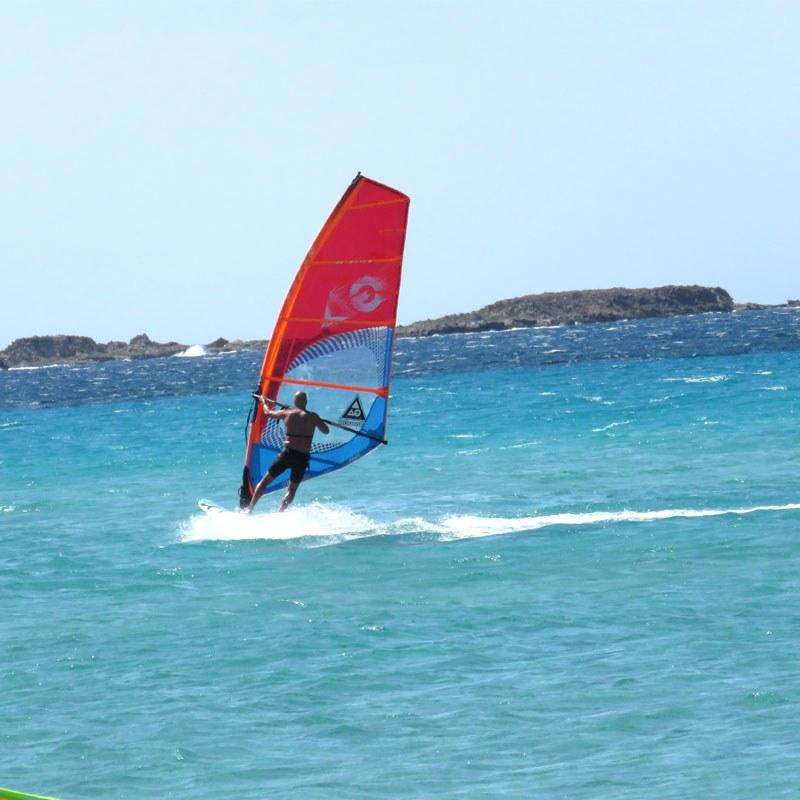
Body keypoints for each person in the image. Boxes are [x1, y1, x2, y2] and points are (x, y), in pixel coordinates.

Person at [247, 391, 330, 513]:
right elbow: (326, 431)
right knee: (291, 491)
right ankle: (280, 512)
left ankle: (250, 510)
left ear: (295, 402)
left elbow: (267, 412)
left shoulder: (286, 413)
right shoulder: (313, 416)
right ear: (306, 402)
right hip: (302, 458)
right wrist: (318, 421)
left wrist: (263, 401)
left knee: (264, 483)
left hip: (287, 455)